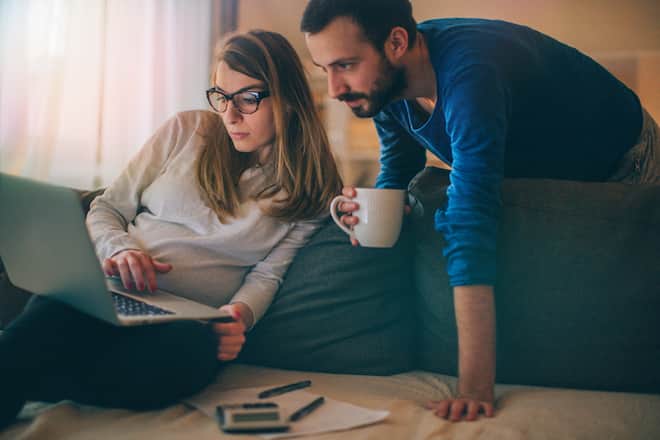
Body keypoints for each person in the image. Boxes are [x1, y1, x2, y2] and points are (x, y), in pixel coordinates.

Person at [301, 0, 660, 423]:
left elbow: (469, 219)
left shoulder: (471, 72)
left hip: (624, 162)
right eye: (324, 69)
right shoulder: (389, 91)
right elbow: (398, 169)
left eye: (344, 65)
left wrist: (473, 385)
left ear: (396, 42)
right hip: (534, 173)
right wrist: (370, 217)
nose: (334, 89)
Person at [0, 29, 342, 430]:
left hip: (183, 325)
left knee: (189, 359)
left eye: (248, 99)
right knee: (59, 311)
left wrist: (239, 316)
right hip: (113, 292)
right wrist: (120, 250)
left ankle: (31, 378)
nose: (230, 115)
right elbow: (106, 208)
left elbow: (269, 272)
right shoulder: (185, 131)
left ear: (288, 96)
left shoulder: (314, 191)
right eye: (221, 97)